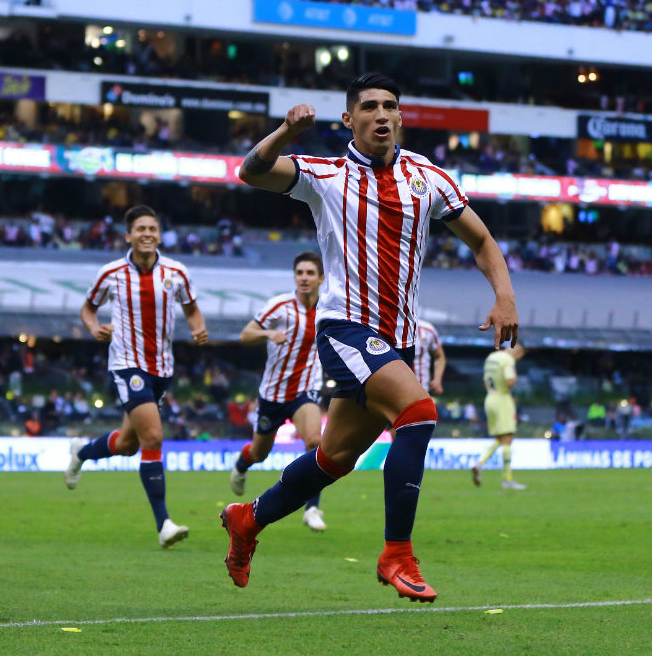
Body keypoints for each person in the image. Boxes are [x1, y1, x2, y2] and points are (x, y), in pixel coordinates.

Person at [222, 73, 518, 602]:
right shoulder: (326, 176)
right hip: (346, 328)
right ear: (348, 119)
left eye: (390, 106)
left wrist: (505, 296)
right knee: (418, 412)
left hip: (397, 341)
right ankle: (397, 554)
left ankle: (249, 518)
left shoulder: (428, 178)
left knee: (334, 458)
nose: (381, 114)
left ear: (400, 116)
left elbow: (481, 240)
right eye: (369, 107)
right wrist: (285, 133)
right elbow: (251, 171)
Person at [64, 205, 209, 548]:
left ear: (159, 235)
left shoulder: (177, 272)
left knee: (129, 445)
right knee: (153, 437)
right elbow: (87, 309)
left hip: (162, 367)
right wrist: (94, 328)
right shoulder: (111, 273)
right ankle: (164, 524)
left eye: (152, 229)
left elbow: (192, 309)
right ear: (128, 236)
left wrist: (198, 328)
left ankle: (81, 452)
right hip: (128, 364)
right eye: (141, 229)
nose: (147, 234)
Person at [229, 251, 328, 533]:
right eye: (300, 273)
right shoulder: (280, 306)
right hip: (273, 394)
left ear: (321, 279)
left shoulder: (328, 308)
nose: (304, 278)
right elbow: (245, 334)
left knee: (315, 441)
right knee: (260, 452)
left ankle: (312, 508)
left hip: (306, 390)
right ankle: (242, 464)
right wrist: (267, 333)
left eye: (310, 273)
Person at [473, 342, 527, 490]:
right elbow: (510, 382)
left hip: (490, 398)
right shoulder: (508, 360)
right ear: (517, 351)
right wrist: (514, 375)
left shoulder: (491, 357)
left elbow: (485, 384)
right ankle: (507, 479)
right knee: (508, 438)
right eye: (520, 355)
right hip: (502, 399)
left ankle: (479, 463)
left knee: (500, 438)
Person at [414, 320, 446, 397]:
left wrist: (437, 380)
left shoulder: (427, 329)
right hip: (394, 386)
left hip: (421, 387)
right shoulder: (387, 328)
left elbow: (440, 356)